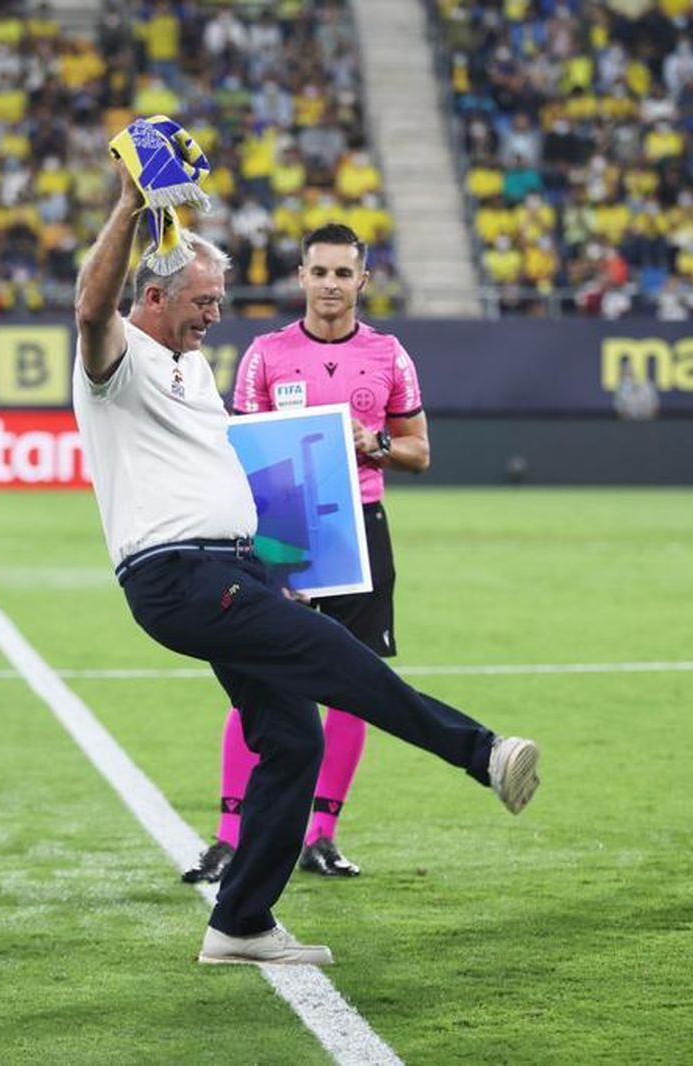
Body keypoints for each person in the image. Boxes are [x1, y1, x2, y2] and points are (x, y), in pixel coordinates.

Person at [71, 154, 540, 966]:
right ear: (153, 297)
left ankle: (240, 922)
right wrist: (126, 204)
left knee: (293, 740)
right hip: (180, 576)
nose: (215, 316)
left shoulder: (191, 369)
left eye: (218, 302)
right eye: (203, 302)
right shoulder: (116, 365)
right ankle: (483, 754)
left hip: (238, 569)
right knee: (339, 661)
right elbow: (88, 307)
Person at [181, 222, 429, 884]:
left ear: (362, 281)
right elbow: (237, 449)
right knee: (256, 680)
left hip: (359, 527)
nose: (330, 285)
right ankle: (230, 835)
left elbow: (419, 452)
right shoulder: (265, 354)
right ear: (302, 277)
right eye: (319, 272)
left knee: (353, 684)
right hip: (280, 532)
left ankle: (322, 834)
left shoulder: (389, 354)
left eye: (343, 273)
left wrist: (371, 443)